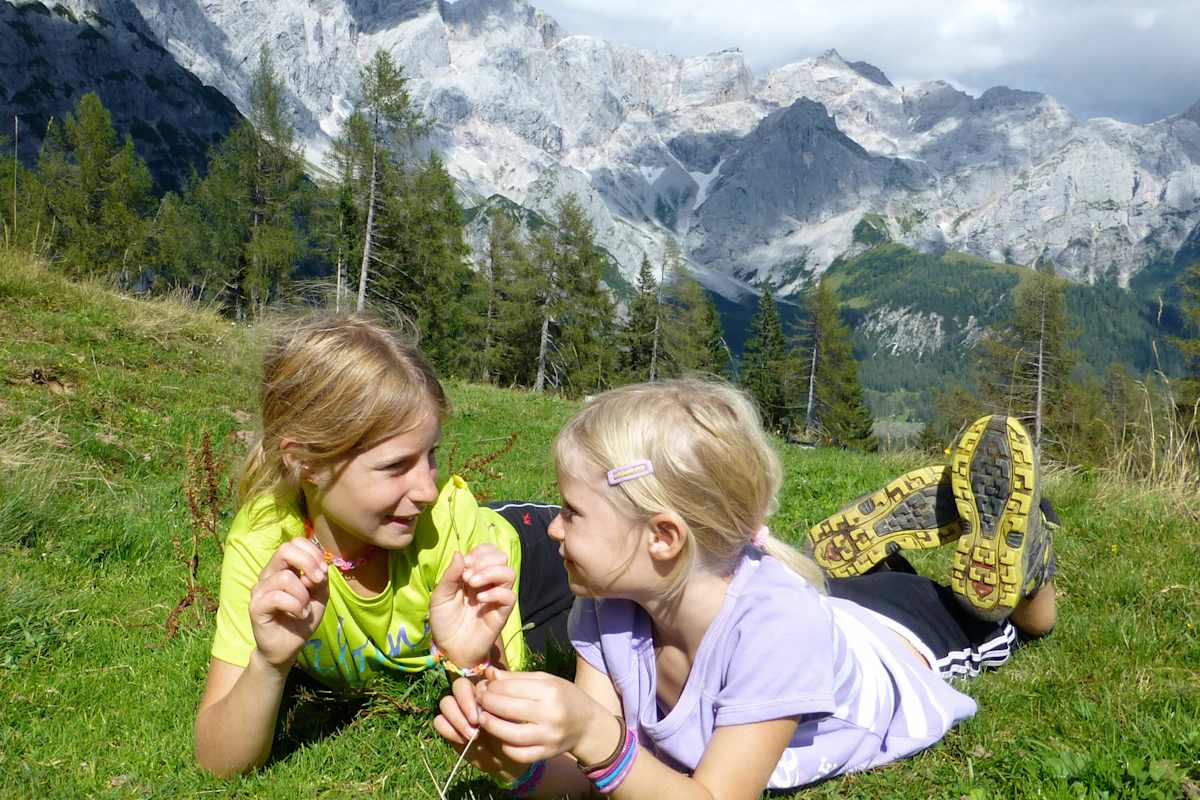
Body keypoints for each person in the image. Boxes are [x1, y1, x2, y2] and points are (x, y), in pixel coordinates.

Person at [434, 380, 1057, 798]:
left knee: (992, 615)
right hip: (805, 610)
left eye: (571, 511)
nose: (554, 529)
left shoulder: (777, 631)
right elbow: (594, 773)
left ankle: (1030, 567)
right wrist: (522, 754)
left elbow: (681, 782)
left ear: (663, 538)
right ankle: (867, 561)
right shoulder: (604, 605)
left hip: (897, 645)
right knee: (815, 590)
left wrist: (592, 737)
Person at [193, 314, 572, 777]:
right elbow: (217, 765)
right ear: (304, 461)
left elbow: (512, 745)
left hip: (535, 565)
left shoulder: (450, 523)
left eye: (430, 456)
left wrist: (472, 662)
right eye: (395, 466)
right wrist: (270, 664)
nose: (427, 489)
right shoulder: (268, 543)